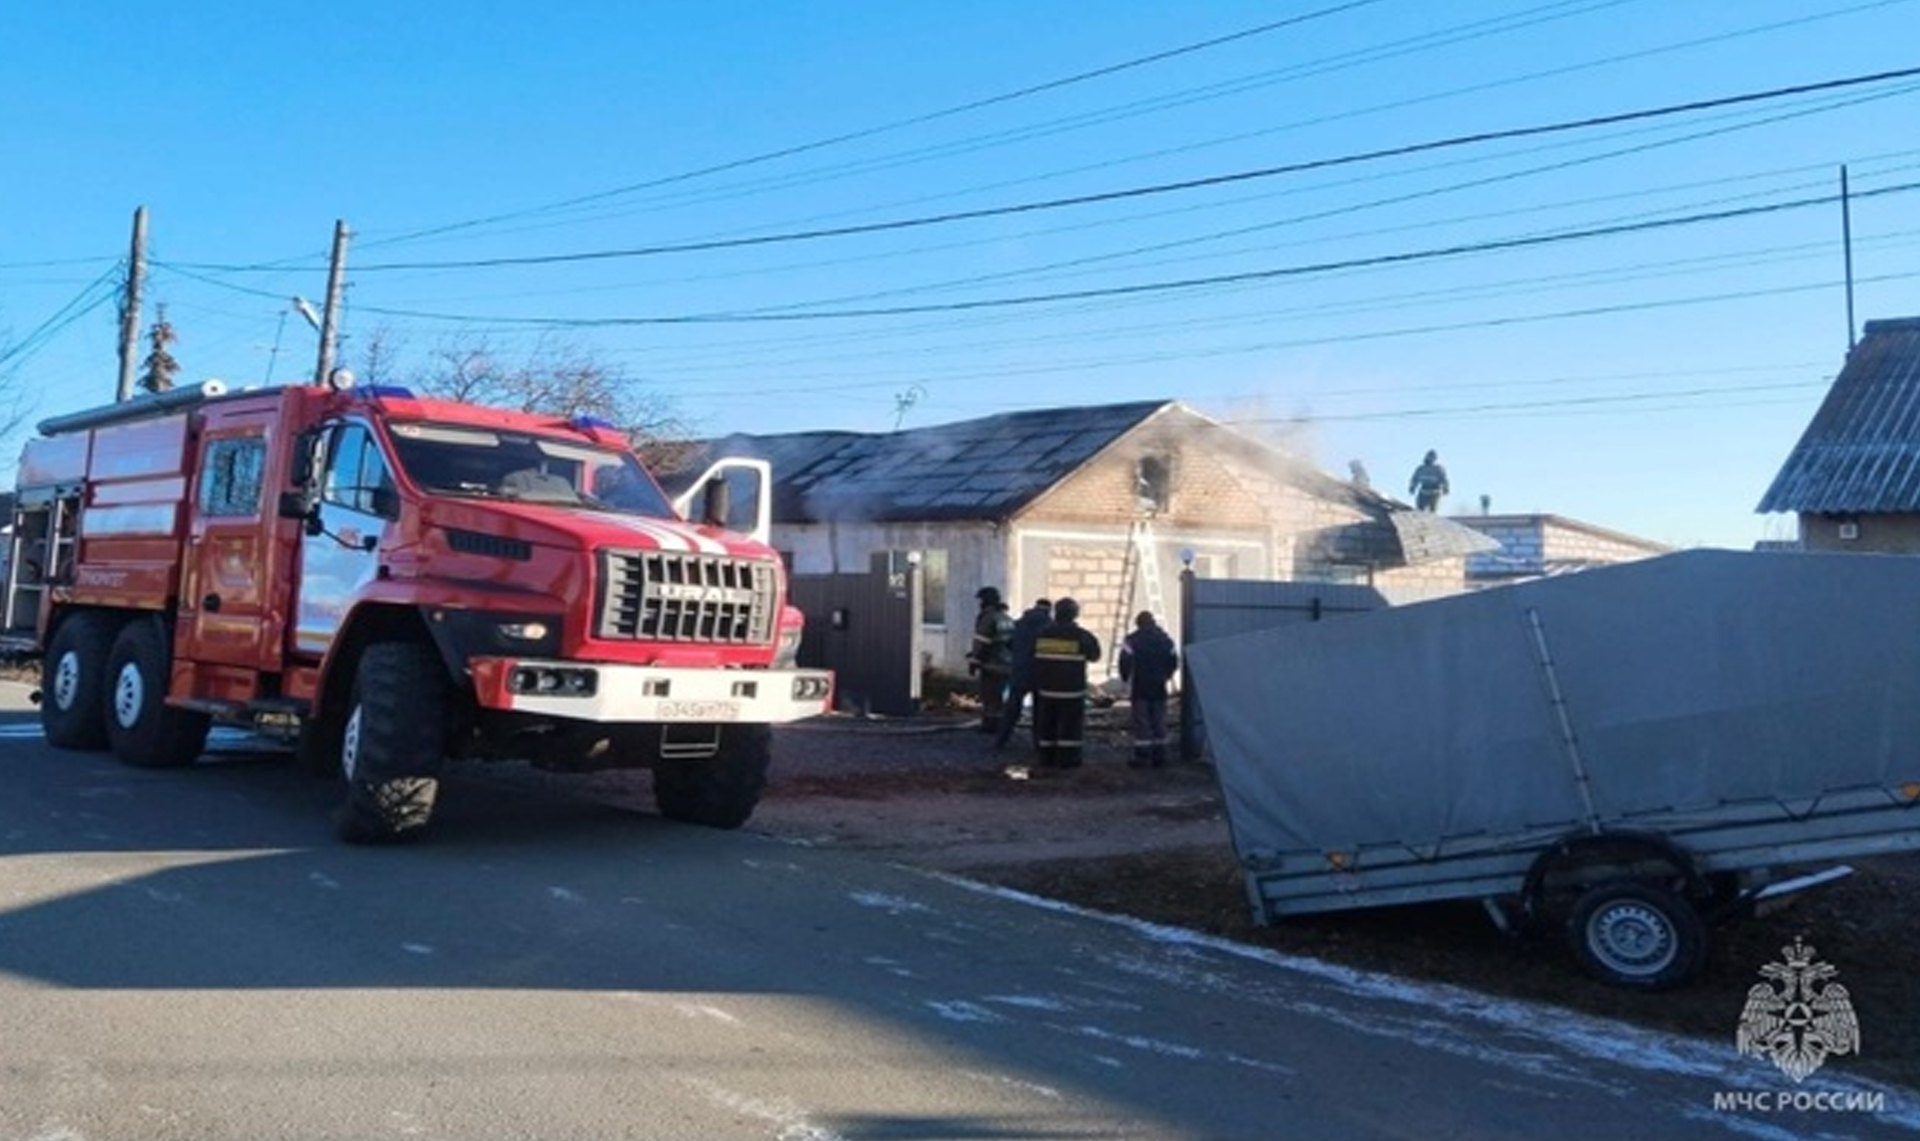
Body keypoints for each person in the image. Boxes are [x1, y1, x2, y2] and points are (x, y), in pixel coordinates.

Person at [1031, 597, 1101, 769]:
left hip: (1047, 689)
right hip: (1072, 690)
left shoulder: (1041, 633)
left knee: (1047, 725)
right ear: (1075, 614)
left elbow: (1031, 655)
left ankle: (1047, 759)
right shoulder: (1082, 636)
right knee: (1071, 726)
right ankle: (1069, 760)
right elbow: (1095, 656)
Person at [1118, 610, 1179, 768]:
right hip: (1159, 686)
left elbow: (1125, 662)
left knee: (1142, 721)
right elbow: (1173, 661)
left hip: (1140, 686)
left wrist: (1125, 680)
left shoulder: (1132, 640)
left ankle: (1143, 757)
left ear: (1138, 624)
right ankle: (1160, 756)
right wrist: (1166, 676)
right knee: (1159, 720)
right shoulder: (1166, 641)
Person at [994, 598, 1052, 750]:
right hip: (1041, 672)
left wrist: (1019, 655)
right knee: (1040, 710)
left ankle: (1002, 740)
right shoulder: (1049, 625)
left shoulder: (1020, 623)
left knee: (1012, 708)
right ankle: (1038, 743)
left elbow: (1008, 642)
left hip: (1020, 670)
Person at [967, 587, 1015, 732]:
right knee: (999, 697)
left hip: (991, 664)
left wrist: (974, 662)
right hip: (1007, 663)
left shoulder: (987, 618)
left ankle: (989, 725)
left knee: (989, 695)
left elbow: (981, 642)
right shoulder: (1006, 617)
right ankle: (1000, 725)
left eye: (980, 600)